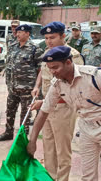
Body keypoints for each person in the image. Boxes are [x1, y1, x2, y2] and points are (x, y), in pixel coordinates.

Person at [28, 46, 101, 181]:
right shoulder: (57, 84)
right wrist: (32, 140)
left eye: (55, 67)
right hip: (86, 128)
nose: (52, 72)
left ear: (68, 62)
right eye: (49, 68)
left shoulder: (94, 76)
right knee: (88, 176)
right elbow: (44, 112)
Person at [31, 21, 84, 181]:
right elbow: (43, 70)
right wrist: (37, 85)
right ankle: (50, 177)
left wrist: (44, 101)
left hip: (63, 108)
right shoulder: (47, 52)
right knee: (48, 147)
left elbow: (74, 84)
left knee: (62, 150)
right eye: (46, 38)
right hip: (47, 107)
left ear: (63, 36)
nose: (49, 41)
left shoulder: (72, 55)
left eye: (52, 37)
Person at [0, 24, 43, 141]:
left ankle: (22, 137)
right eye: (17, 32)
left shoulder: (34, 48)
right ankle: (8, 132)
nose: (17, 34)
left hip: (27, 88)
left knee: (25, 114)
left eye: (21, 32)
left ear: (27, 33)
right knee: (10, 110)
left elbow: (41, 69)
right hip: (13, 86)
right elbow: (9, 64)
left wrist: (36, 86)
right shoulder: (13, 46)